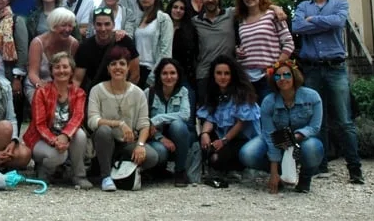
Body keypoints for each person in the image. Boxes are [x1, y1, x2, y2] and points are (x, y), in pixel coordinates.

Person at [292, 0, 364, 184]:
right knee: (316, 119)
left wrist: (312, 21)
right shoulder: (303, 6)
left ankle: (355, 169)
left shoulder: (340, 4)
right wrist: (322, 22)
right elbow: (296, 26)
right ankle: (319, 166)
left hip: (335, 68)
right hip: (312, 68)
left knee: (344, 120)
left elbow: (339, 22)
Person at [239, 60, 324, 193]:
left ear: (294, 76)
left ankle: (305, 177)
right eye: (278, 76)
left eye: (287, 75)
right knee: (248, 153)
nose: (282, 79)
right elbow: (269, 134)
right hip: (276, 140)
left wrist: (294, 137)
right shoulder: (269, 101)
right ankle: (280, 172)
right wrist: (273, 172)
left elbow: (314, 127)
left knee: (313, 147)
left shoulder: (312, 97)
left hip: (302, 139)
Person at [87, 46, 159, 191]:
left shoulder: (138, 93)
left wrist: (140, 145)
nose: (117, 68)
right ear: (108, 68)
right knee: (103, 131)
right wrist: (119, 124)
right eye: (113, 64)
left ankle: (123, 171)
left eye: (122, 64)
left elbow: (144, 123)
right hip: (104, 141)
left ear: (128, 67)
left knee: (152, 156)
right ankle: (106, 176)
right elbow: (92, 120)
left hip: (127, 143)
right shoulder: (97, 90)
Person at [23, 52, 90, 189]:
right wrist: (55, 141)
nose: (61, 71)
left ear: (71, 70)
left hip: (65, 136)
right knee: (60, 155)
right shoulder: (41, 92)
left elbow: (78, 117)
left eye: (65, 67)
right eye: (57, 67)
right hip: (41, 138)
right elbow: (39, 124)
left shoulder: (79, 93)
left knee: (81, 135)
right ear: (51, 71)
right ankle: (45, 171)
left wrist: (65, 136)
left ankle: (79, 175)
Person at [197, 55, 260, 177]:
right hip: (223, 137)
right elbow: (210, 118)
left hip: (241, 139)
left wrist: (224, 141)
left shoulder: (243, 94)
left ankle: (242, 167)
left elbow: (241, 123)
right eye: (219, 73)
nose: (222, 77)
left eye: (227, 73)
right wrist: (204, 134)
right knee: (207, 151)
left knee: (217, 158)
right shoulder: (213, 93)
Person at [235, 0, 293, 104]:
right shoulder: (241, 21)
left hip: (267, 77)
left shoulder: (273, 15)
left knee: (267, 115)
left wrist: (275, 68)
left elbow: (289, 43)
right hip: (247, 79)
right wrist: (238, 51)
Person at [145, 58, 192, 187]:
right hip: (156, 139)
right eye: (165, 73)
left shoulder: (183, 92)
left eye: (173, 73)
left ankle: (180, 171)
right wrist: (160, 138)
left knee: (178, 125)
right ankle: (158, 170)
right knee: (160, 151)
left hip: (178, 137)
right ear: (159, 76)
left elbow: (185, 115)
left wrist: (158, 118)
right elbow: (145, 122)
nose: (169, 77)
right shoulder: (149, 93)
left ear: (178, 75)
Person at [74, 8, 140, 93]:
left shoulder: (125, 41)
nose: (103, 29)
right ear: (94, 25)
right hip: (95, 94)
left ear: (114, 25)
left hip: (122, 92)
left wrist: (124, 95)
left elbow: (135, 75)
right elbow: (77, 80)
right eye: (99, 24)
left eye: (107, 24)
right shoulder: (85, 47)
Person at [25, 8, 80, 104]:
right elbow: (32, 73)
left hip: (63, 86)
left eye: (70, 25)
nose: (67, 29)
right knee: (46, 106)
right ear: (53, 26)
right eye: (63, 25)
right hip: (38, 84)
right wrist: (45, 90)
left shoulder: (74, 44)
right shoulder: (38, 43)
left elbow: (73, 73)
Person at [134, 0, 173, 86]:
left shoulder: (163, 19)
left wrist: (154, 75)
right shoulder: (137, 20)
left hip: (153, 70)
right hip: (136, 70)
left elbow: (166, 52)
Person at [168, 0, 199, 110]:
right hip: (165, 75)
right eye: (175, 7)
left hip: (185, 77)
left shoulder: (190, 30)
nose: (178, 11)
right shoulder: (162, 27)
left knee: (188, 113)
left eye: (182, 8)